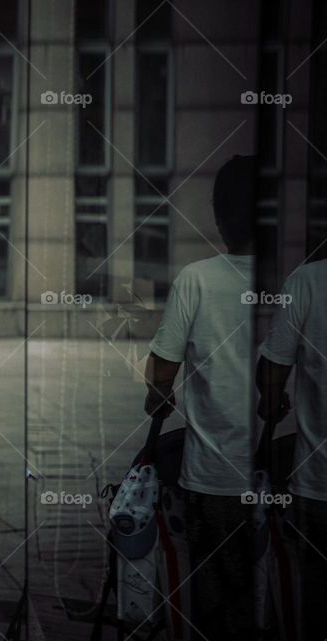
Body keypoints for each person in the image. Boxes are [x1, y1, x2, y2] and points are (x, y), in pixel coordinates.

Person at [141, 155, 257, 640]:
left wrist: (157, 399)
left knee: (212, 593)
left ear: (219, 215)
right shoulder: (304, 278)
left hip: (213, 473)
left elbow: (162, 372)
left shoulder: (198, 279)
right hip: (291, 465)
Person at [256, 257, 327, 641]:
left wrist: (271, 399)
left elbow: (272, 368)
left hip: (319, 487)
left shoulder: (308, 281)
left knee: (316, 599)